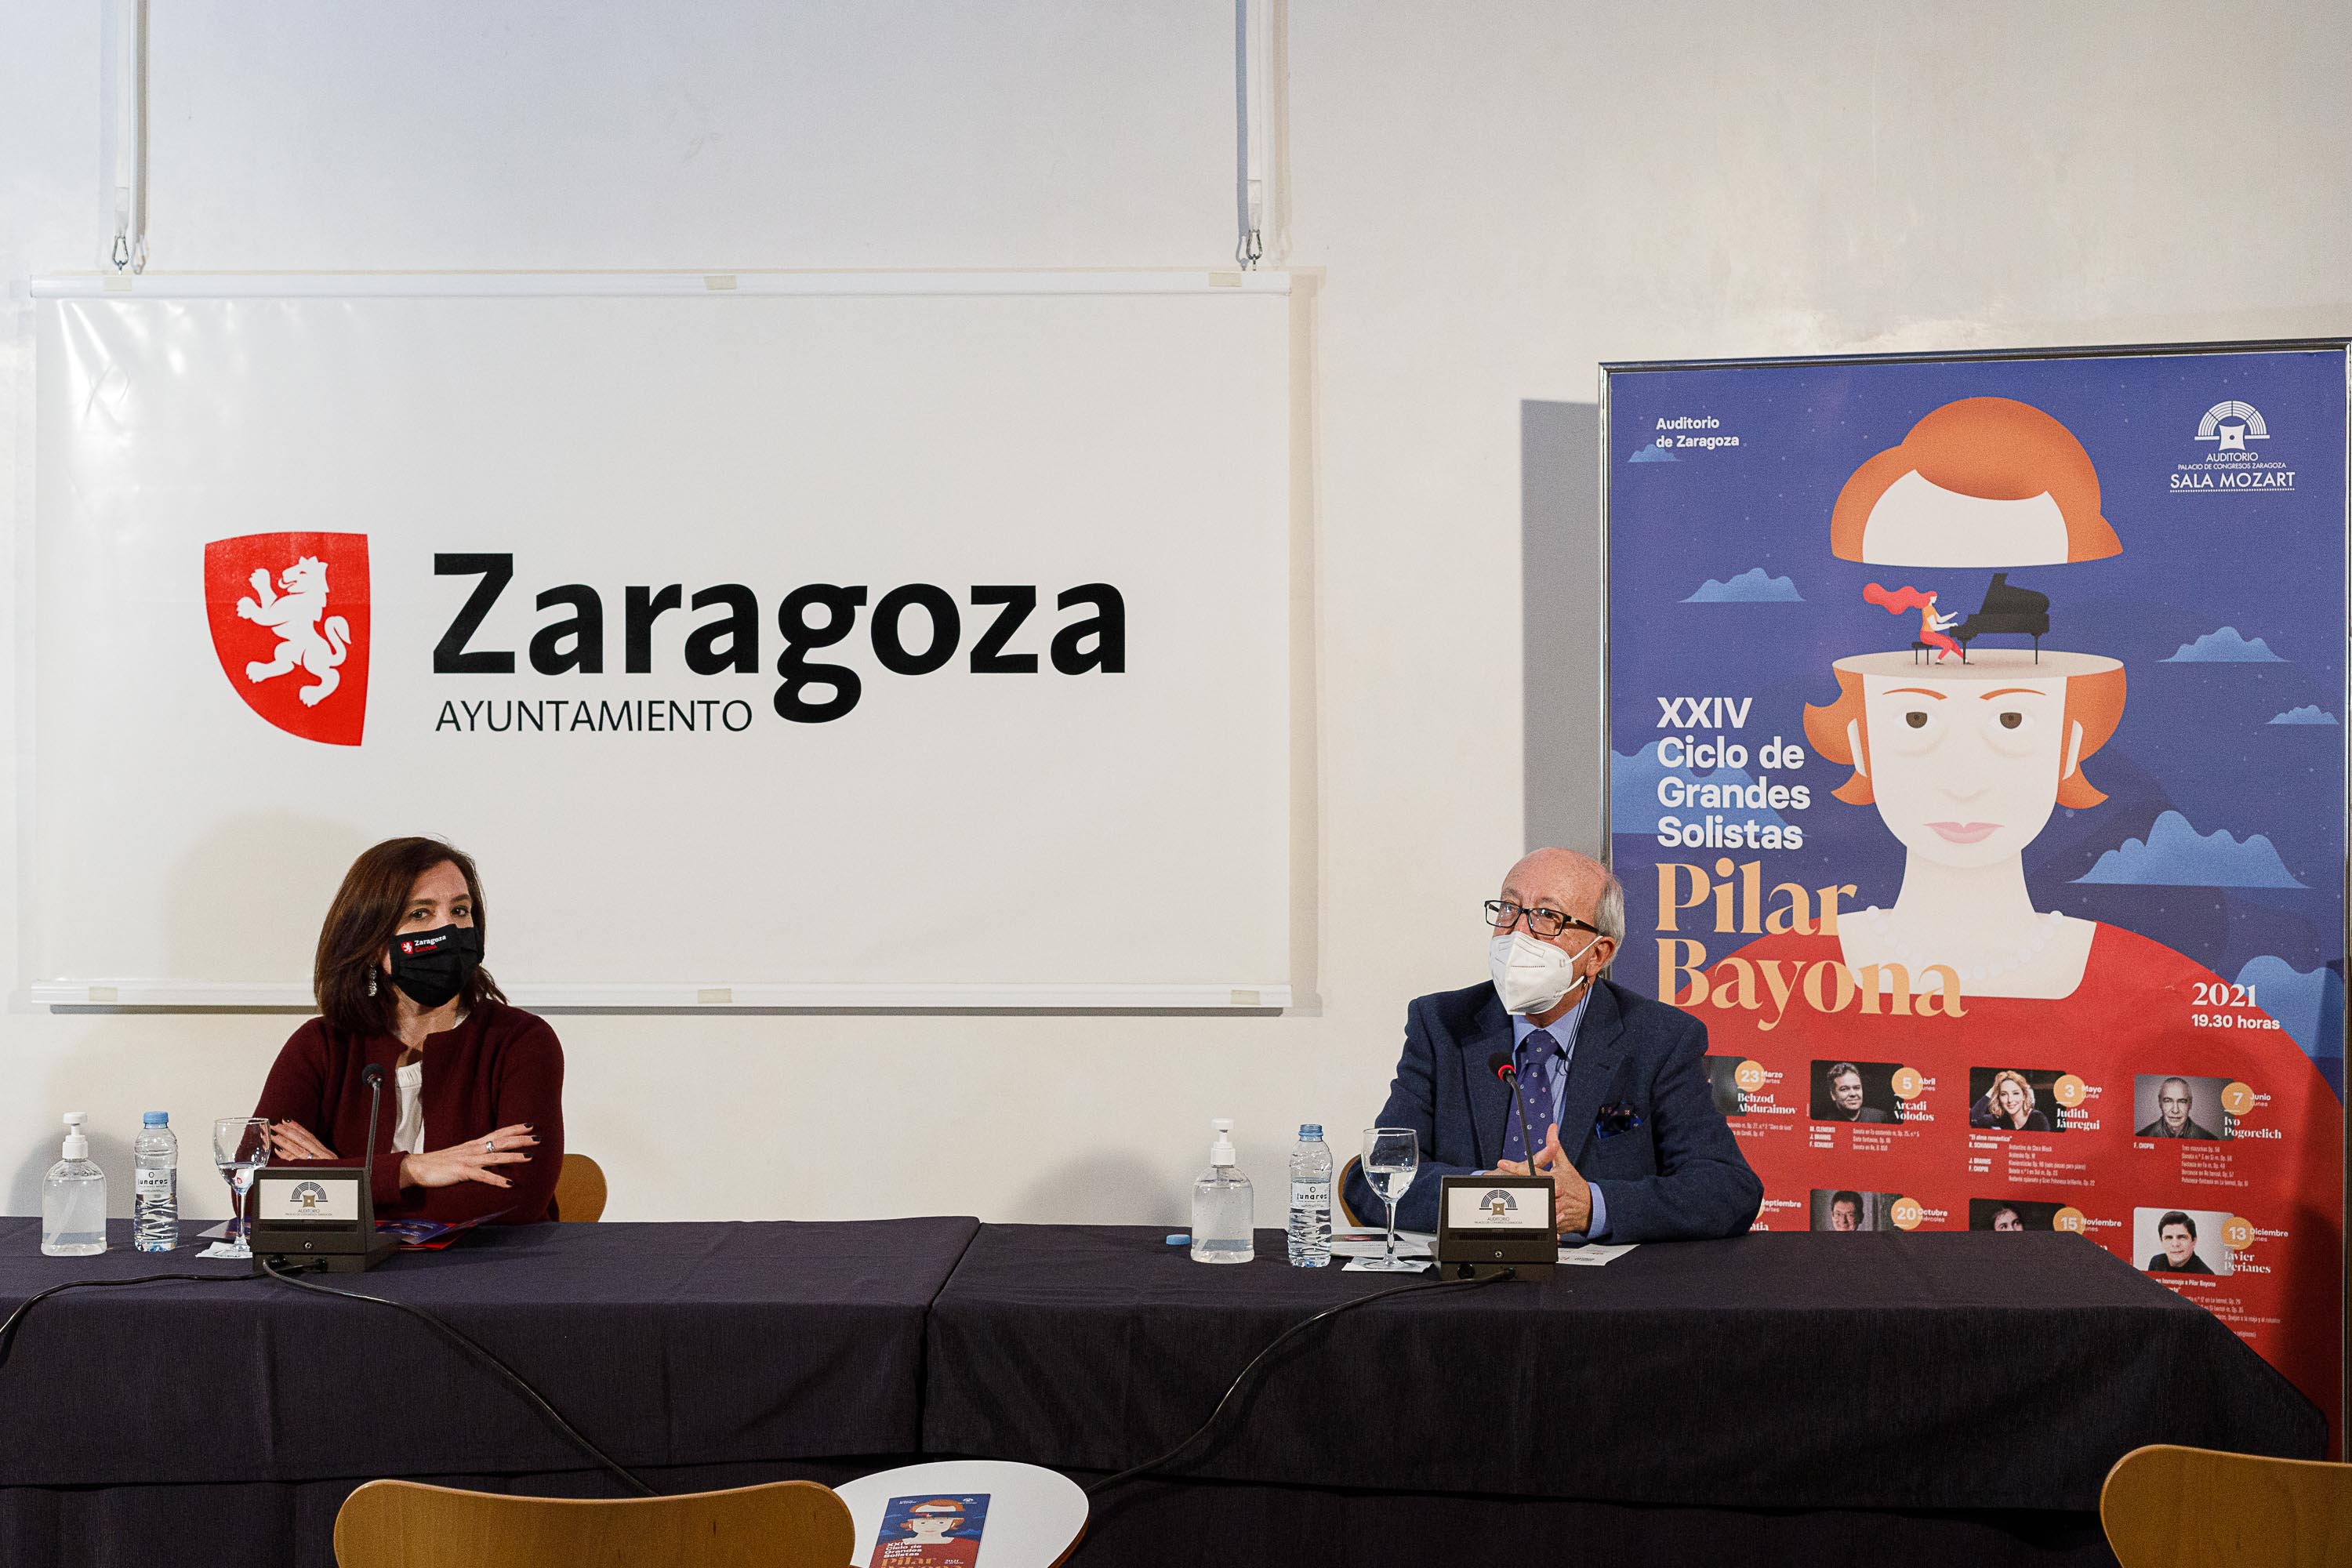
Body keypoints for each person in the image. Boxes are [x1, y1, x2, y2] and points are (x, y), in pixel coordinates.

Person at [1341, 848, 1762, 1243]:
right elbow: (1373, 1178)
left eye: (1547, 916)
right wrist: (1484, 1195)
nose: (1518, 933)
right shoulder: (1442, 1026)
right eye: (1509, 909)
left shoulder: (1659, 1039)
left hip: (1600, 1288)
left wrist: (1590, 1207)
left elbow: (1727, 1189)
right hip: (1466, 1278)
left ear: (1597, 955)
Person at [254, 837, 565, 1224]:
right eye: (420, 914)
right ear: (370, 939)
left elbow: (516, 1199)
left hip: (492, 1260)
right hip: (353, 1264)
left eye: (460, 910)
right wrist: (412, 1170)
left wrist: (342, 1184)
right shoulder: (321, 1045)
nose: (448, 929)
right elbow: (254, 1194)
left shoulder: (522, 1041)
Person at [1969, 1069, 2052, 1131]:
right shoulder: (2004, 1118)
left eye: (2015, 1093)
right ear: (1999, 1098)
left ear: (2024, 1096)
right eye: (2004, 1094)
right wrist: (1993, 1090)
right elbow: (1973, 1119)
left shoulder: (2037, 1118)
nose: (2010, 1100)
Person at [2138, 1077, 2220, 1140]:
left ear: (2190, 1104)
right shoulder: (2141, 1137)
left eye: (2182, 1102)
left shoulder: (2211, 1140)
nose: (2175, 1110)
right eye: (2168, 1101)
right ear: (2160, 1102)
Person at [1816, 1062, 1893, 1123]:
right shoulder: (1824, 1122)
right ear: (1833, 1095)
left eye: (1857, 1088)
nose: (1853, 1094)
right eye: (1844, 1089)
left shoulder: (1879, 1117)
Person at [2146, 1211, 2215, 1275]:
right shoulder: (2156, 1262)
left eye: (2182, 1237)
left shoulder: (2206, 1275)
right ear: (2161, 1241)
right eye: (2169, 1237)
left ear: (2194, 1241)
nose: (2175, 1244)